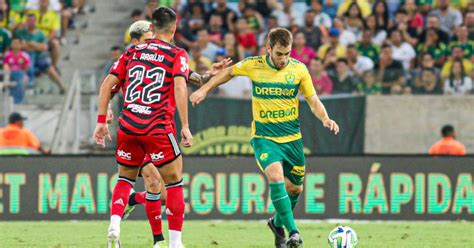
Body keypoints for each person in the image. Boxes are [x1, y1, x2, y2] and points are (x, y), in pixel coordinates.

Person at [190, 27, 339, 248]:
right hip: (264, 137)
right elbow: (228, 72)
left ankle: (276, 223)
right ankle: (294, 232)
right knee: (277, 178)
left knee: (295, 189)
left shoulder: (299, 70)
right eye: (279, 54)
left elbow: (313, 99)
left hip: (292, 139)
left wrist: (325, 118)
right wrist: (205, 89)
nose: (283, 59)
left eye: (287, 53)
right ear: (268, 48)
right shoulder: (254, 64)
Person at [93, 7, 192, 248]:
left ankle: (115, 224)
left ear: (152, 27)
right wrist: (186, 125)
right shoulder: (177, 54)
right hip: (157, 127)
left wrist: (101, 122)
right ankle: (174, 243)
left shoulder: (133, 52)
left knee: (125, 179)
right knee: (174, 183)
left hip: (128, 126)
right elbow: (180, 87)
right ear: (174, 28)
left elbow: (107, 84)